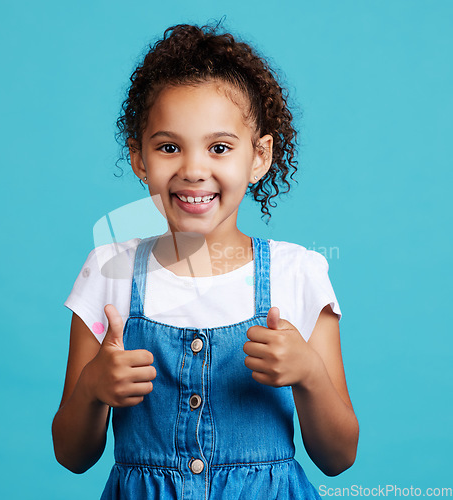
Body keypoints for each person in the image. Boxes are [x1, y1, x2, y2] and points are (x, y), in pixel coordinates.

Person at [52, 22, 359, 499]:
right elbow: (71, 455)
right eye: (169, 147)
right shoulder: (107, 270)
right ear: (139, 157)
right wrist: (93, 389)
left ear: (259, 157)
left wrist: (309, 375)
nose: (194, 169)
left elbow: (339, 458)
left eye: (219, 147)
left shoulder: (297, 274)